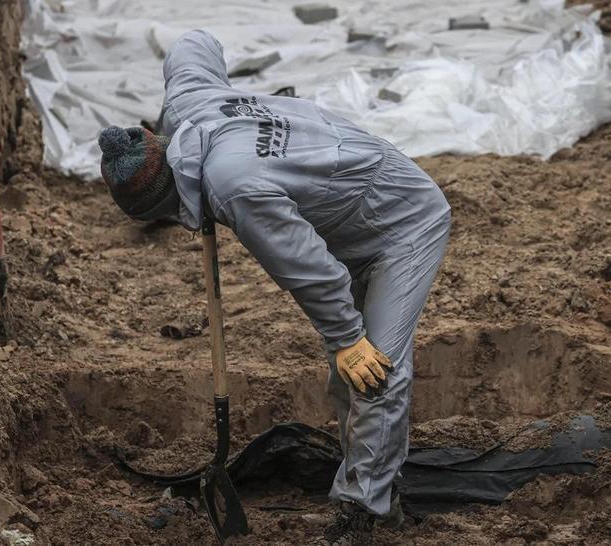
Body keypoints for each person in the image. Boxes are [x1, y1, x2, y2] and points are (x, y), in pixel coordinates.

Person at [97, 30, 451, 546]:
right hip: (348, 207)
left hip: (403, 223)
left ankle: (364, 514)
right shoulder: (189, 107)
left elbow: (309, 268)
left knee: (373, 368)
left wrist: (346, 339)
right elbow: (192, 44)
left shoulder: (235, 186)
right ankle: (375, 477)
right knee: (348, 369)